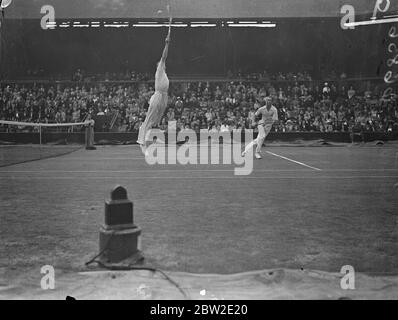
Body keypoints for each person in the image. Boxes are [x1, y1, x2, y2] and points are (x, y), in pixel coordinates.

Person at [137, 27, 171, 155]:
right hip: (157, 96)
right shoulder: (160, 68)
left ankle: (148, 137)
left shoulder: (164, 73)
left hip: (164, 96)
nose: (162, 63)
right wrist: (167, 44)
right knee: (149, 118)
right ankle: (142, 142)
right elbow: (164, 56)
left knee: (156, 121)